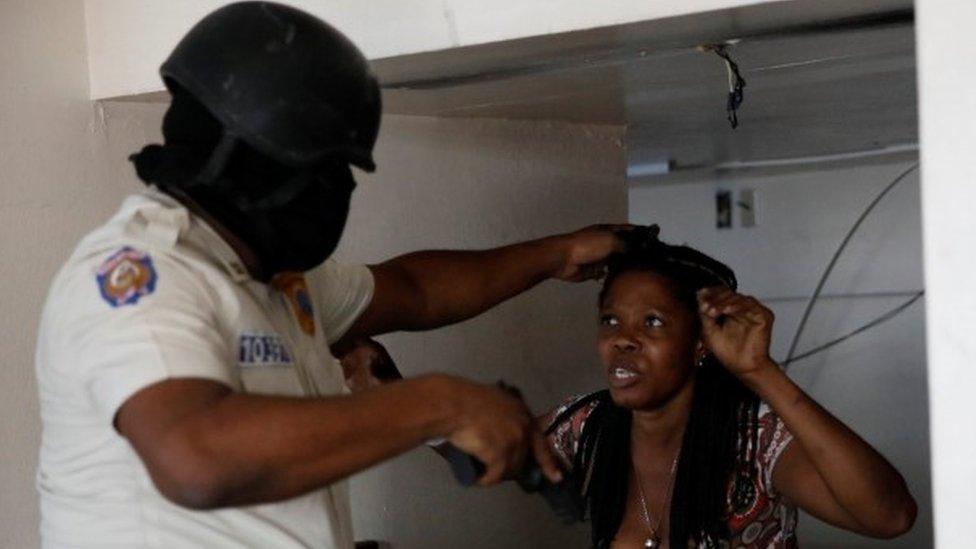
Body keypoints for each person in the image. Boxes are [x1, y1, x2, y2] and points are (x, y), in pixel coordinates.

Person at [34, 3, 627, 548]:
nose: (340, 190)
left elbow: (417, 292)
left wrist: (558, 253)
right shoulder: (143, 276)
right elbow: (196, 459)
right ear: (261, 159)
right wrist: (441, 404)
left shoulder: (274, 279)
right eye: (331, 167)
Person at [540, 229, 917, 548]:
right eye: (610, 320)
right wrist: (555, 256)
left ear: (700, 343)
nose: (623, 339)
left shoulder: (754, 440)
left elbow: (890, 517)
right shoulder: (589, 425)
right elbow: (490, 447)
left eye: (652, 322)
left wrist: (759, 371)